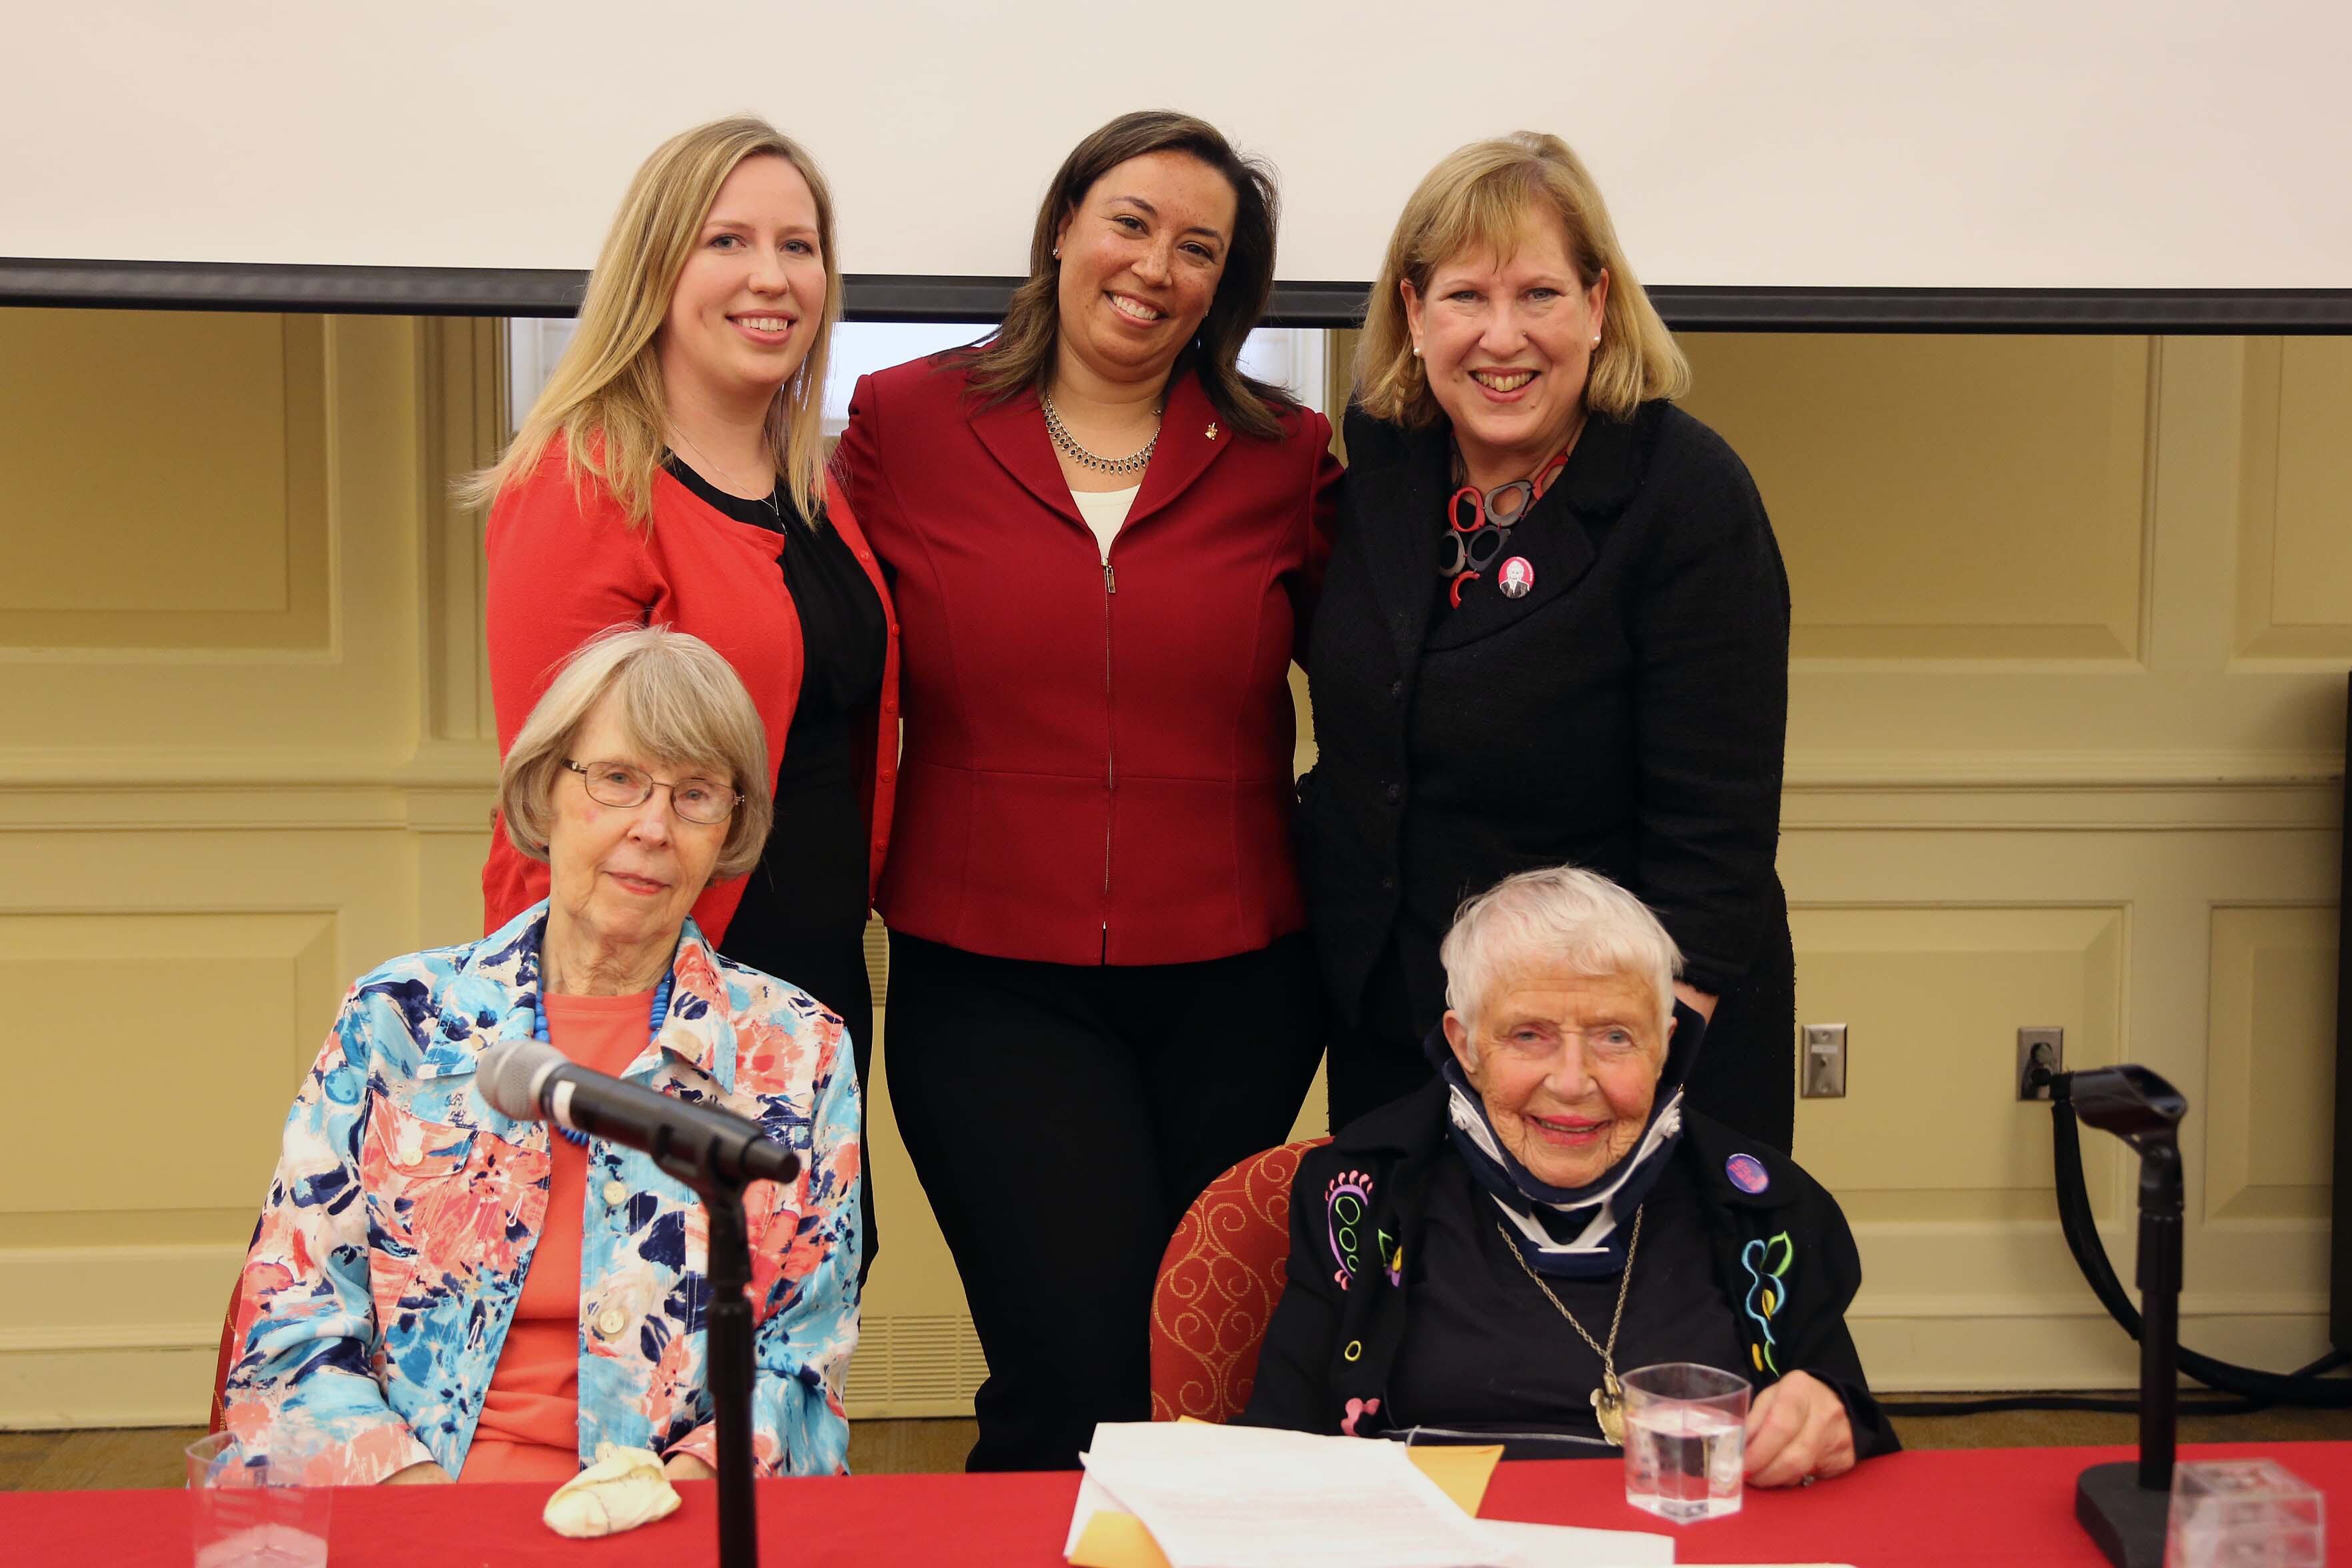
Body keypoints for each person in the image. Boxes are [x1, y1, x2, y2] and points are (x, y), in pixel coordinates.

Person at [831, 109, 1340, 1471]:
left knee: (1189, 1377)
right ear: (1063, 226)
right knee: (1076, 1369)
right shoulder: (904, 421)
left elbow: (1389, 676)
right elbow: (811, 640)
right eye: (1130, 222)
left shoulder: (1289, 452)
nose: (1155, 267)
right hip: (990, 976)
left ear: (1226, 286)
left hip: (1240, 985)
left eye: (1198, 248)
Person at [221, 627, 862, 1486]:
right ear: (544, 790)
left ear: (730, 828)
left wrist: (670, 1504)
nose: (654, 827)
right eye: (619, 779)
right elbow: (287, 1331)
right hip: (409, 1512)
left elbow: (802, 1368)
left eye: (697, 795)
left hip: (668, 1520)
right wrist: (426, 1515)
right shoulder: (398, 1021)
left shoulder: (800, 1052)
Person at [1301, 132, 1795, 1146]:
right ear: (1413, 312)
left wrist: (1642, 1073)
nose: (1502, 337)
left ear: (1600, 305)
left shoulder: (1686, 498)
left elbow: (1717, 843)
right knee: (1417, 1306)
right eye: (1466, 298)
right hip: (1407, 1033)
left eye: (1540, 295)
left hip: (1616, 1057)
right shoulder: (1388, 465)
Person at [469, 116, 895, 1271]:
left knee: (793, 1337)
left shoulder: (814, 484)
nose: (772, 277)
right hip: (649, 1014)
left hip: (804, 998)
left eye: (799, 246)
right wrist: (588, 1034)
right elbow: (565, 805)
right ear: (656, 268)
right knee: (649, 1344)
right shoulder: (582, 481)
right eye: (728, 240)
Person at [1242, 866, 1893, 1481]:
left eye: (1615, 1037)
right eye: (1529, 1035)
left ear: (1666, 1043)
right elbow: (1279, 1448)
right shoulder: (1358, 1195)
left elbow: (1850, 1429)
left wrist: (1831, 1419)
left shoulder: (1765, 1206)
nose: (1574, 1082)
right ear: (1465, 1045)